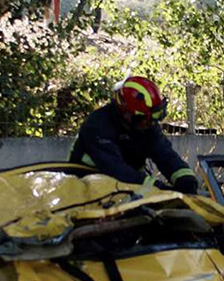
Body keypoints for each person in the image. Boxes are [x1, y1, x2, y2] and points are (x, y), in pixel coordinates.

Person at [69, 76, 200, 194]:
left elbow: (166, 155)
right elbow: (116, 170)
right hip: (86, 191)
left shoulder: (147, 126)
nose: (148, 124)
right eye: (143, 119)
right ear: (126, 112)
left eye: (152, 120)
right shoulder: (98, 125)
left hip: (125, 191)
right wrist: (159, 189)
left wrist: (186, 180)